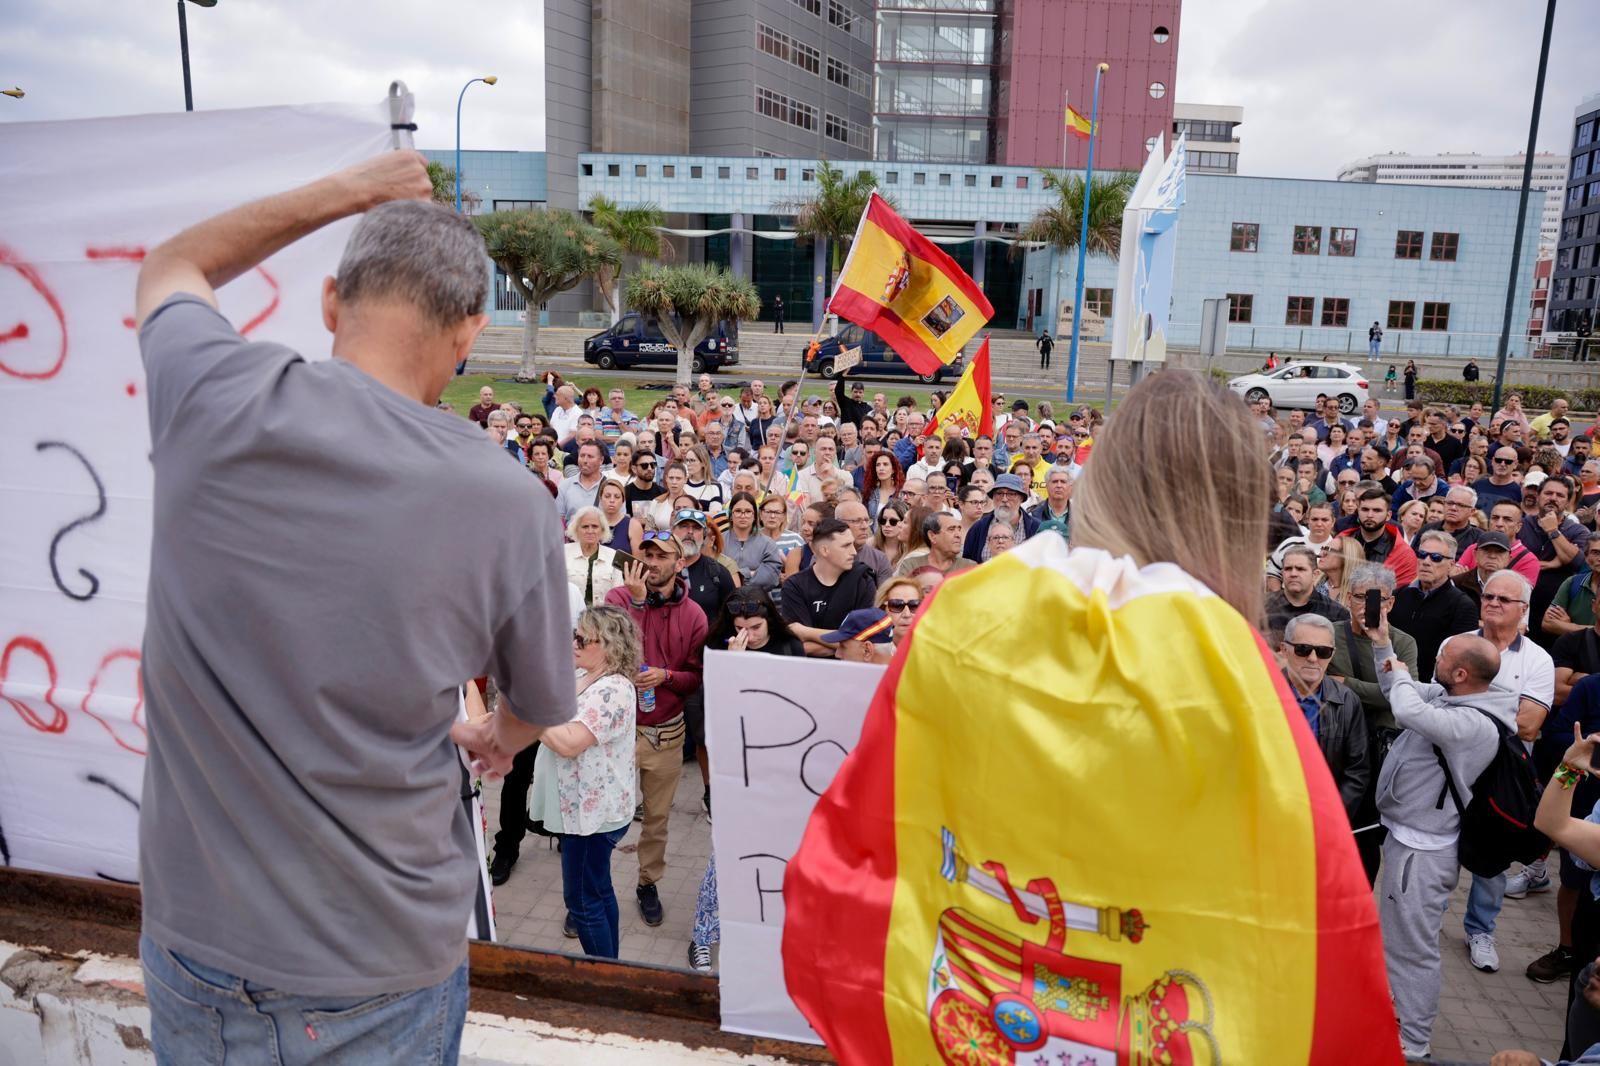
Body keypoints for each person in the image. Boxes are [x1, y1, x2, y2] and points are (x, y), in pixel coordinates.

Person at [133, 155, 576, 1060]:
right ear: (468, 336)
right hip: (380, 965)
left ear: (332, 303)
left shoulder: (214, 396)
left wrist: (349, 191)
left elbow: (171, 266)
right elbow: (539, 706)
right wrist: (500, 739)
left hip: (194, 950)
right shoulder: (508, 498)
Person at [1372, 622, 1512, 1060]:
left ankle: (1413, 1043)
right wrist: (1381, 643)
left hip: (1423, 853)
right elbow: (1397, 684)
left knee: (1412, 951)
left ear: (1461, 675)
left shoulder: (1473, 723)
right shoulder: (1452, 694)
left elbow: (1408, 710)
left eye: (1443, 658)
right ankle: (1399, 1016)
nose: (1434, 660)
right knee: (1398, 942)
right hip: (1409, 843)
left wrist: (1392, 664)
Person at [604, 534, 707, 927]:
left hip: (665, 732)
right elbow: (611, 653)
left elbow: (695, 678)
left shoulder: (694, 614)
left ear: (679, 564)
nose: (651, 560)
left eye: (661, 555)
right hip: (617, 731)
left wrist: (666, 676)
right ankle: (590, 894)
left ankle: (648, 883)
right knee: (602, 818)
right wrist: (637, 603)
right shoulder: (618, 599)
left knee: (656, 821)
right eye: (646, 553)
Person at [526, 606, 639, 959]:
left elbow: (571, 743)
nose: (572, 643)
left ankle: (604, 977)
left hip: (592, 818)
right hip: (584, 807)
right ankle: (614, 968)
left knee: (581, 900)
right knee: (599, 888)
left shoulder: (613, 691)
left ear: (607, 645)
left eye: (581, 638)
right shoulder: (586, 674)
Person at [1278, 614, 1369, 820]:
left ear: (1332, 654)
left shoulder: (1347, 701)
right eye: (1302, 649)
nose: (1312, 658)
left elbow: (1357, 772)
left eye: (1322, 652)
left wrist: (1331, 819)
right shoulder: (1262, 695)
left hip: (1323, 818)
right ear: (1284, 650)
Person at [1388, 529, 1480, 682]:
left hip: (1430, 688)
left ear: (1451, 565)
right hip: (1390, 676)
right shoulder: (1398, 595)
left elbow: (1460, 659)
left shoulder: (1463, 606)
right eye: (1422, 555)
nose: (1426, 561)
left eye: (1436, 558)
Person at [780, 518, 879, 657]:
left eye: (853, 545)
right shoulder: (795, 586)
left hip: (852, 669)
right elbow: (802, 646)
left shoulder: (863, 580)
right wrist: (846, 643)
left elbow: (863, 641)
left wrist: (805, 631)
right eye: (846, 546)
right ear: (825, 550)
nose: (854, 552)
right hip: (808, 669)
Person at [1337, 487, 1419, 586]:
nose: (1370, 515)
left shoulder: (1403, 554)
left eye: (1377, 510)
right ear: (1358, 511)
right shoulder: (1341, 541)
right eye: (1365, 509)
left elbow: (1403, 593)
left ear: (1388, 515)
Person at [1266, 544, 1351, 636]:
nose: (1293, 574)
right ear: (1282, 573)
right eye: (1288, 569)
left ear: (1315, 574)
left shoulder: (1337, 613)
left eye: (1300, 569)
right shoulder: (1262, 606)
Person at [961, 473, 1039, 562]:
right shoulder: (978, 528)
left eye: (1011, 494)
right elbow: (967, 566)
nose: (1004, 499)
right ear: (993, 497)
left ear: (1021, 498)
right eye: (999, 493)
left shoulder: (1036, 528)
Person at [723, 491, 784, 592]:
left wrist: (738, 575)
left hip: (759, 602)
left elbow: (769, 579)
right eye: (738, 511)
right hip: (725, 602)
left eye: (747, 511)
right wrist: (751, 573)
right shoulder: (718, 541)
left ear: (755, 515)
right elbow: (715, 577)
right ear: (730, 514)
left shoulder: (768, 544)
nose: (743, 516)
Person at [565, 506, 622, 607]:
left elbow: (618, 593)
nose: (590, 531)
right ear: (576, 529)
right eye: (585, 526)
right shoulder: (563, 553)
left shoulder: (613, 556)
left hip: (604, 619)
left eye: (595, 526)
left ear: (602, 530)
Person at [837, 499, 894, 585]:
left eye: (867, 520)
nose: (864, 526)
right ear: (839, 523)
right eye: (857, 521)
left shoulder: (879, 559)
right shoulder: (825, 556)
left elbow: (884, 595)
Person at [557, 440, 607, 525]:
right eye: (582, 456)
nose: (585, 460)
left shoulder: (611, 486)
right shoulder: (564, 486)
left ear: (601, 460)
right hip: (571, 537)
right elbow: (559, 521)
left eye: (590, 456)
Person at [598, 478, 642, 554]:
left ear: (623, 500)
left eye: (617, 497)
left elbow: (639, 561)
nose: (612, 500)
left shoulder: (633, 526)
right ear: (600, 498)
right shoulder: (592, 523)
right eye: (607, 496)